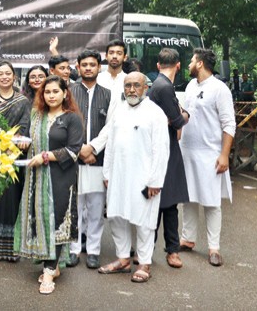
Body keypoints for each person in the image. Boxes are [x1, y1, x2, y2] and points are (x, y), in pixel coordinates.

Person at [98, 72, 170, 284]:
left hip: (144, 179)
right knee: (116, 216)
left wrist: (155, 180)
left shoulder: (155, 113)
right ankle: (123, 259)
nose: (131, 90)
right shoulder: (119, 111)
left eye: (136, 85)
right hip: (118, 176)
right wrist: (107, 173)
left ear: (145, 88)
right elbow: (110, 145)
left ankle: (144, 263)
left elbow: (161, 150)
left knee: (144, 221)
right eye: (127, 85)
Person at [14, 75, 83, 294]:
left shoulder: (71, 118)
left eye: (55, 91)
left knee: (57, 222)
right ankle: (52, 267)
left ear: (65, 93)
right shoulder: (37, 115)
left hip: (61, 177)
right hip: (37, 177)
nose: (51, 96)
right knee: (42, 220)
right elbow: (29, 142)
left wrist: (45, 156)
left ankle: (48, 273)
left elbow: (73, 150)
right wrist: (23, 143)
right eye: (47, 92)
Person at [179, 48, 236, 267]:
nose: (189, 64)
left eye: (192, 60)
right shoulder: (190, 86)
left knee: (212, 202)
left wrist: (224, 155)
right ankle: (187, 239)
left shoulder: (220, 89)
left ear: (200, 63)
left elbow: (229, 124)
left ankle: (214, 248)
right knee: (188, 198)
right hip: (188, 151)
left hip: (210, 153)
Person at [67, 49, 115, 270]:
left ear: (99, 67)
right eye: (84, 65)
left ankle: (94, 250)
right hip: (73, 159)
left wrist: (93, 148)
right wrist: (79, 150)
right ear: (78, 67)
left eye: (92, 65)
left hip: (97, 159)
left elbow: (111, 126)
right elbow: (64, 122)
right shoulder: (68, 92)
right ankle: (74, 249)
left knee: (95, 208)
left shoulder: (109, 94)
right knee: (75, 207)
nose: (88, 68)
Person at [146, 48, 190, 268]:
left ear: (158, 65)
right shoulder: (164, 87)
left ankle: (162, 250)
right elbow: (179, 121)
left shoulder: (159, 85)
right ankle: (163, 251)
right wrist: (185, 114)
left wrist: (177, 116)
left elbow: (173, 119)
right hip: (163, 150)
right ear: (178, 65)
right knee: (163, 204)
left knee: (167, 203)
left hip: (165, 148)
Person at [0, 61, 31, 262]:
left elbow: (25, 126)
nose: (4, 77)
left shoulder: (23, 101)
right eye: (0, 74)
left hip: (14, 157)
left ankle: (12, 249)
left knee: (11, 202)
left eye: (8, 73)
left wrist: (12, 144)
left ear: (14, 77)